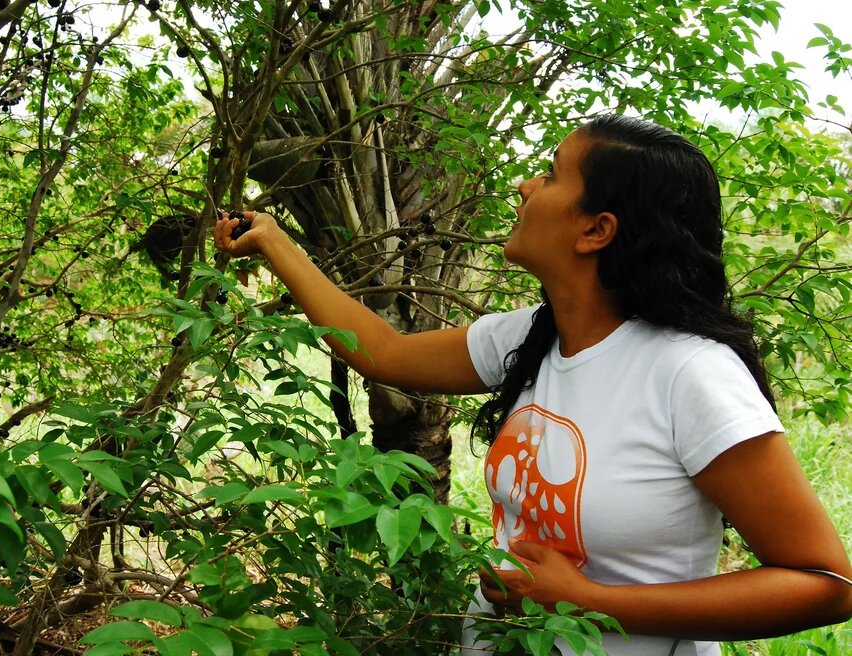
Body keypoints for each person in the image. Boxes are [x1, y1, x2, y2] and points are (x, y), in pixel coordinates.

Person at [213, 115, 852, 655]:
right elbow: (383, 353)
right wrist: (276, 244)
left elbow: (825, 582)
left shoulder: (690, 373)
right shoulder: (530, 336)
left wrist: (591, 603)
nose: (525, 184)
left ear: (596, 230)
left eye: (549, 174)